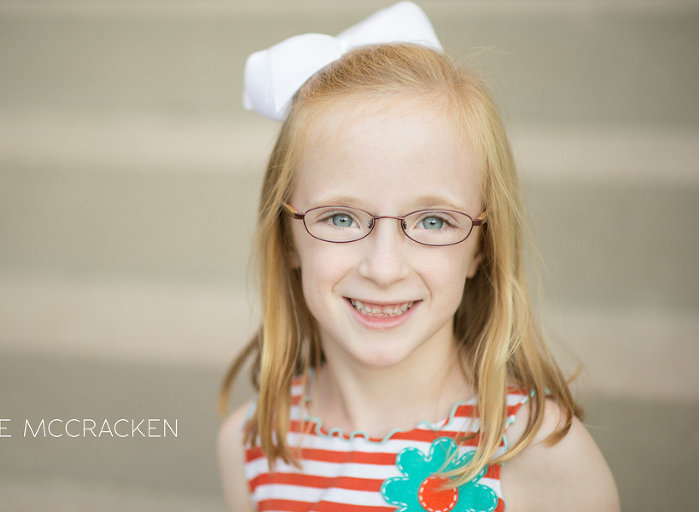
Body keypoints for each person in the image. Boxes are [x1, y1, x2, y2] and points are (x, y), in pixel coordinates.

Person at [217, 3, 619, 511]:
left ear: (482, 246)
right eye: (341, 218)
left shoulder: (538, 453)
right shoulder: (252, 446)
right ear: (287, 238)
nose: (384, 269)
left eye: (434, 222)